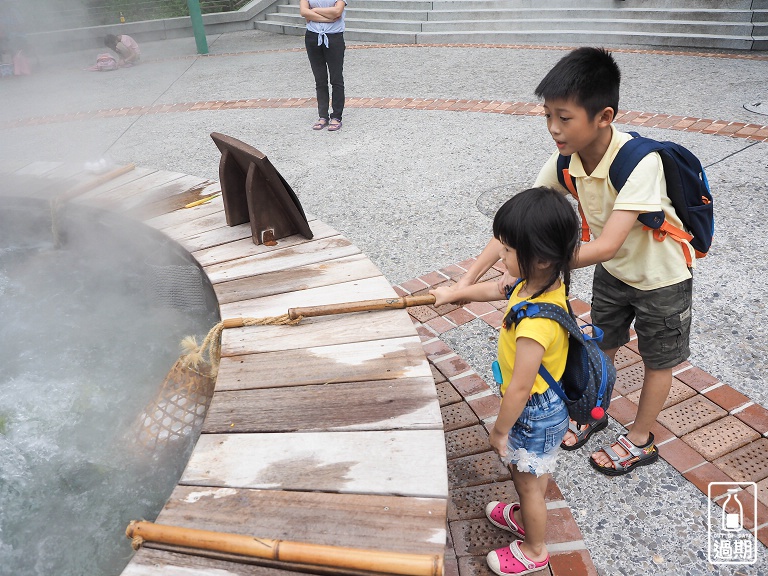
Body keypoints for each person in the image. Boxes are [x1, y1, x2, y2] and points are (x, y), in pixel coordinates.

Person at [455, 47, 694, 476]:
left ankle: (640, 439)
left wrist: (537, 263)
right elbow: (519, 227)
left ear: (603, 116)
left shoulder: (641, 162)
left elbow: (605, 244)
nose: (553, 129)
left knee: (658, 360)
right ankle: (591, 410)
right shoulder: (565, 159)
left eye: (564, 118)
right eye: (547, 115)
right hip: (615, 274)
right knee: (601, 346)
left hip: (662, 277)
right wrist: (467, 280)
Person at [431, 187, 579, 576]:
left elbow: (520, 388)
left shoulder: (536, 323)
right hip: (534, 408)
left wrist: (500, 431)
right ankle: (523, 513)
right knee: (525, 474)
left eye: (509, 250)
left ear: (542, 258)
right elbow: (492, 289)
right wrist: (455, 294)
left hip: (534, 410)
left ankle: (535, 548)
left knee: (530, 482)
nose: (501, 255)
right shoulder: (534, 284)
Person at [299, 0, 346, 131]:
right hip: (312, 37)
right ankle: (323, 116)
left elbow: (337, 11)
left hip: (334, 37)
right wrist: (329, 18)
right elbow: (303, 11)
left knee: (336, 79)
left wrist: (313, 12)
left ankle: (336, 116)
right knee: (320, 80)